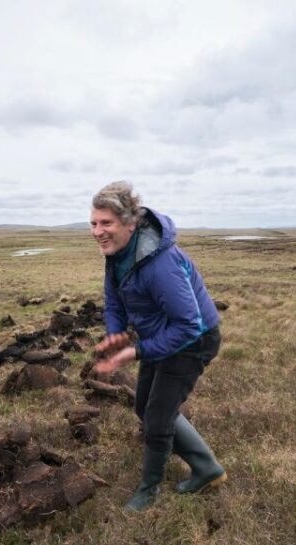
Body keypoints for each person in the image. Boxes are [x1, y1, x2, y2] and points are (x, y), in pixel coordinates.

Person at [90, 181, 226, 512]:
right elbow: (113, 299)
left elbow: (189, 325)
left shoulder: (159, 264)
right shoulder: (118, 254)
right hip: (161, 336)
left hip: (194, 341)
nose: (98, 231)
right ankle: (208, 468)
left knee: (158, 417)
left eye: (106, 223)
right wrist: (115, 334)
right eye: (93, 223)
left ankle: (149, 490)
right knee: (145, 408)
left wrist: (137, 351)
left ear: (130, 223)